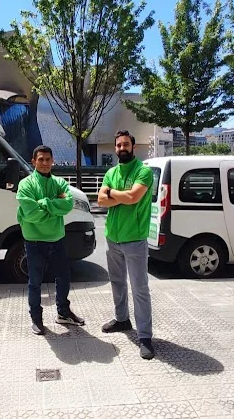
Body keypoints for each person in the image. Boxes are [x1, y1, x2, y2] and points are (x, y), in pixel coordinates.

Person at [96, 130, 156, 359]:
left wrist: (112, 193)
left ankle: (145, 336)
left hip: (135, 239)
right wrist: (120, 196)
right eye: (119, 145)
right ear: (115, 148)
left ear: (133, 147)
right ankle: (122, 319)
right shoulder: (111, 172)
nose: (122, 148)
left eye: (126, 144)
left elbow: (133, 198)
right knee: (117, 283)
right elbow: (101, 200)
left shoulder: (143, 171)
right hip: (113, 237)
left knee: (139, 288)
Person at [16, 145, 85, 335]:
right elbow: (31, 214)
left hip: (57, 239)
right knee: (35, 282)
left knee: (63, 277)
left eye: (48, 159)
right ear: (33, 162)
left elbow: (68, 205)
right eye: (41, 159)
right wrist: (55, 208)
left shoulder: (60, 183)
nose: (45, 163)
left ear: (52, 161)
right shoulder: (25, 185)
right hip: (34, 241)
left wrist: (44, 203)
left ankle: (63, 313)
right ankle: (36, 318)